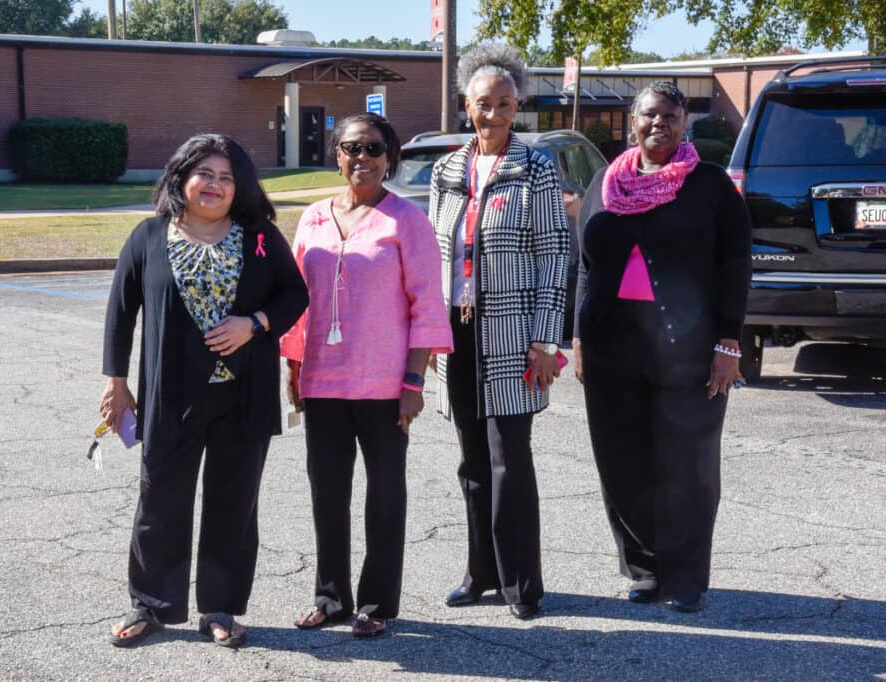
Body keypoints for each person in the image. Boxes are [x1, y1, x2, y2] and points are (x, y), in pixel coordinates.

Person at [101, 133, 308, 647]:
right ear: (181, 178)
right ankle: (150, 604)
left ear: (240, 188)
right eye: (205, 174)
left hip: (242, 395)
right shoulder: (148, 237)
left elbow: (295, 294)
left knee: (232, 504)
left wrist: (255, 323)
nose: (214, 185)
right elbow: (120, 314)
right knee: (160, 501)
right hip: (171, 396)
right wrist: (117, 384)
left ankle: (219, 608)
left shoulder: (259, 236)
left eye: (226, 177)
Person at [572, 81, 751, 612]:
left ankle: (688, 576)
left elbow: (736, 266)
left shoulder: (712, 186)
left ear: (684, 122)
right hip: (611, 347)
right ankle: (644, 568)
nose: (659, 124)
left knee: (688, 463)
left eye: (670, 116)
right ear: (633, 120)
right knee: (622, 460)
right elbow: (587, 267)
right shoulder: (605, 182)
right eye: (650, 115)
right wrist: (579, 338)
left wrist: (729, 344)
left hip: (688, 348)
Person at [280, 112, 452, 638]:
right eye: (353, 148)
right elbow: (294, 300)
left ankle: (377, 603)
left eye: (375, 149)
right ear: (337, 155)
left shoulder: (407, 221)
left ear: (389, 158)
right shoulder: (311, 218)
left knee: (385, 495)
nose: (364, 158)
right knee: (327, 494)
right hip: (322, 383)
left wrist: (414, 384)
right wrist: (293, 365)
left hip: (385, 387)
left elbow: (427, 306)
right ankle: (331, 597)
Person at [429, 44, 572, 620]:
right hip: (455, 331)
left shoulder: (535, 166)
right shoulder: (446, 170)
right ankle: (479, 571)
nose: (494, 115)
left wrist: (546, 340)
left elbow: (554, 256)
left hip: (515, 336)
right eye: (484, 105)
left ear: (519, 107)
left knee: (509, 456)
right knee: (469, 460)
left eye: (506, 104)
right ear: (467, 106)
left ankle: (521, 582)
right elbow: (432, 254)